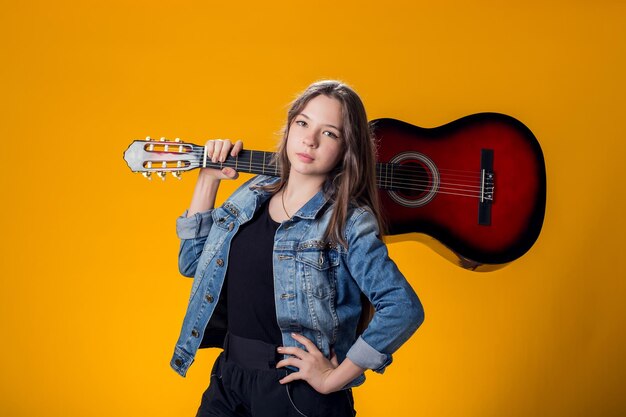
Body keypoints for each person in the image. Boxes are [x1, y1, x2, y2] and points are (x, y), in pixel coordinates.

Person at [171, 80, 424, 417]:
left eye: (330, 133)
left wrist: (334, 378)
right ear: (289, 128)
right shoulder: (252, 193)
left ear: (347, 149)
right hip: (230, 380)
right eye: (303, 123)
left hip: (297, 396)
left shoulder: (347, 221)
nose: (310, 139)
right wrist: (208, 180)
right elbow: (192, 264)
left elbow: (402, 307)